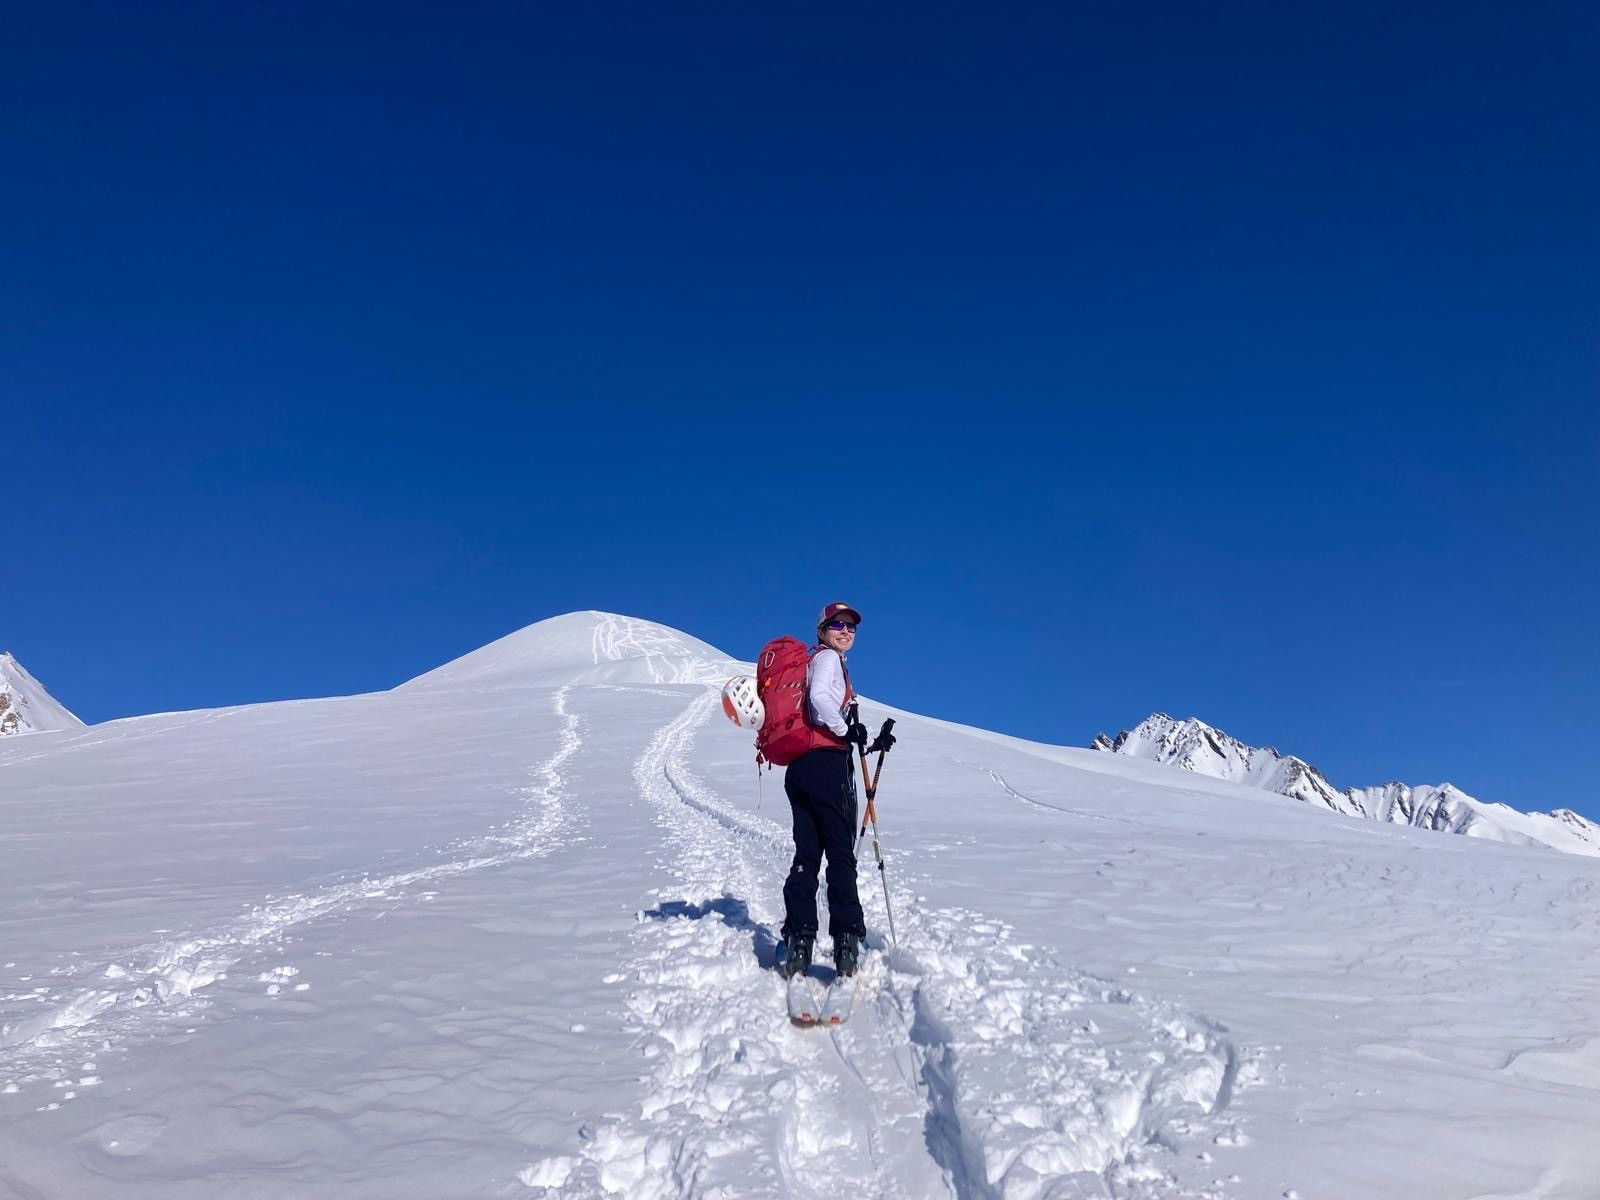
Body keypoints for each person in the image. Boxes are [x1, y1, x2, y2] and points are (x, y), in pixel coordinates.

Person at [778, 602, 870, 980]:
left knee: (807, 854)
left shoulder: (815, 660)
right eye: (837, 625)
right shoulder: (828, 660)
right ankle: (847, 940)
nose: (845, 631)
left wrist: (863, 735)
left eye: (850, 626)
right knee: (840, 852)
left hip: (800, 768)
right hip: (826, 767)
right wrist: (847, 732)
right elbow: (819, 701)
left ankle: (799, 940)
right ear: (822, 630)